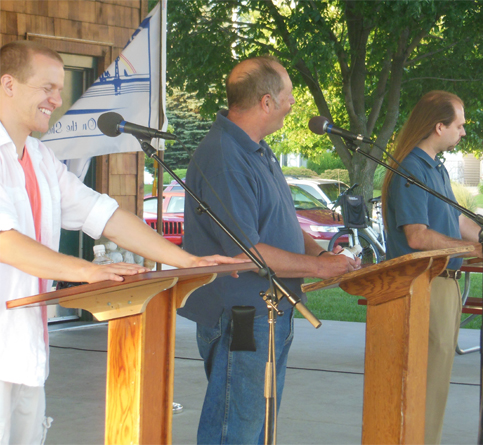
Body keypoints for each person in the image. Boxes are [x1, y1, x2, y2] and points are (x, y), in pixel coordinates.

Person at [0, 40, 245, 444]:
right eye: (46, 88)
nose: (57, 99)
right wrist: (90, 272)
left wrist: (184, 261)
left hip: (25, 353)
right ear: (8, 84)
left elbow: (107, 216)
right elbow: (6, 243)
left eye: (60, 89)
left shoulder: (41, 160)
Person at [180, 55, 360, 445]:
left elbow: (282, 220)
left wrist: (320, 255)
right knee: (236, 430)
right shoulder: (225, 158)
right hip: (242, 315)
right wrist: (317, 267)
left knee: (258, 427)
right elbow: (247, 251)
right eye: (289, 95)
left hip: (270, 310)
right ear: (266, 102)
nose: (293, 103)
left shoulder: (255, 148)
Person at [381, 91, 483, 445]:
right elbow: (418, 236)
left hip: (445, 283)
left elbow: (456, 220)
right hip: (424, 284)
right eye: (460, 124)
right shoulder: (411, 167)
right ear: (439, 126)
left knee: (436, 381)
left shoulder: (434, 166)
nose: (464, 132)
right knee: (424, 382)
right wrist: (473, 249)